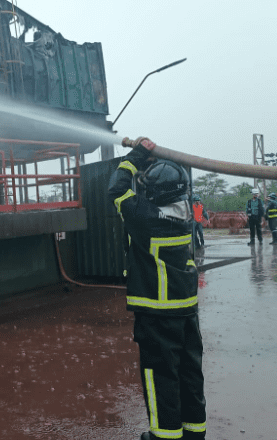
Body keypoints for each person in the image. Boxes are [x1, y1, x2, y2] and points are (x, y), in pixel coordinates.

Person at [108, 137, 206, 440]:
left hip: (157, 311)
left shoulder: (144, 218)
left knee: (160, 375)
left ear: (151, 193)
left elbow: (116, 188)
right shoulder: (187, 214)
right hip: (186, 309)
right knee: (190, 373)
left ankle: (164, 436)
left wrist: (136, 155)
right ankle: (194, 433)